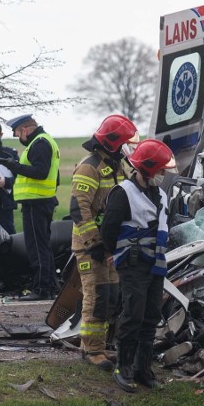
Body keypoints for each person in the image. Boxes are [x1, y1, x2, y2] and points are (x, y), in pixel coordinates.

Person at [100, 139, 176, 392]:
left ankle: (144, 369)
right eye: (161, 170)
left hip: (156, 264)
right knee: (133, 314)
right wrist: (117, 252)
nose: (163, 176)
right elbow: (108, 229)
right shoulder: (124, 192)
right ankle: (124, 368)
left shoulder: (162, 195)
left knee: (152, 315)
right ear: (148, 169)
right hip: (133, 264)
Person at [70, 115, 140, 371]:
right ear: (111, 142)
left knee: (112, 296)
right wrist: (95, 242)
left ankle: (100, 346)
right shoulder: (90, 167)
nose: (126, 148)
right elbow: (79, 209)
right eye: (123, 143)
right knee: (97, 297)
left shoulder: (117, 164)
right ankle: (92, 350)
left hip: (112, 244)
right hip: (92, 246)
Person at [0, 114, 60, 301]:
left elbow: (40, 172)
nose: (17, 137)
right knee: (43, 246)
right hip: (41, 201)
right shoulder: (44, 141)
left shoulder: (40, 143)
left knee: (36, 247)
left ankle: (41, 288)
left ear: (25, 129)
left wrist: (13, 166)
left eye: (17, 132)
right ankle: (48, 286)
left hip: (36, 202)